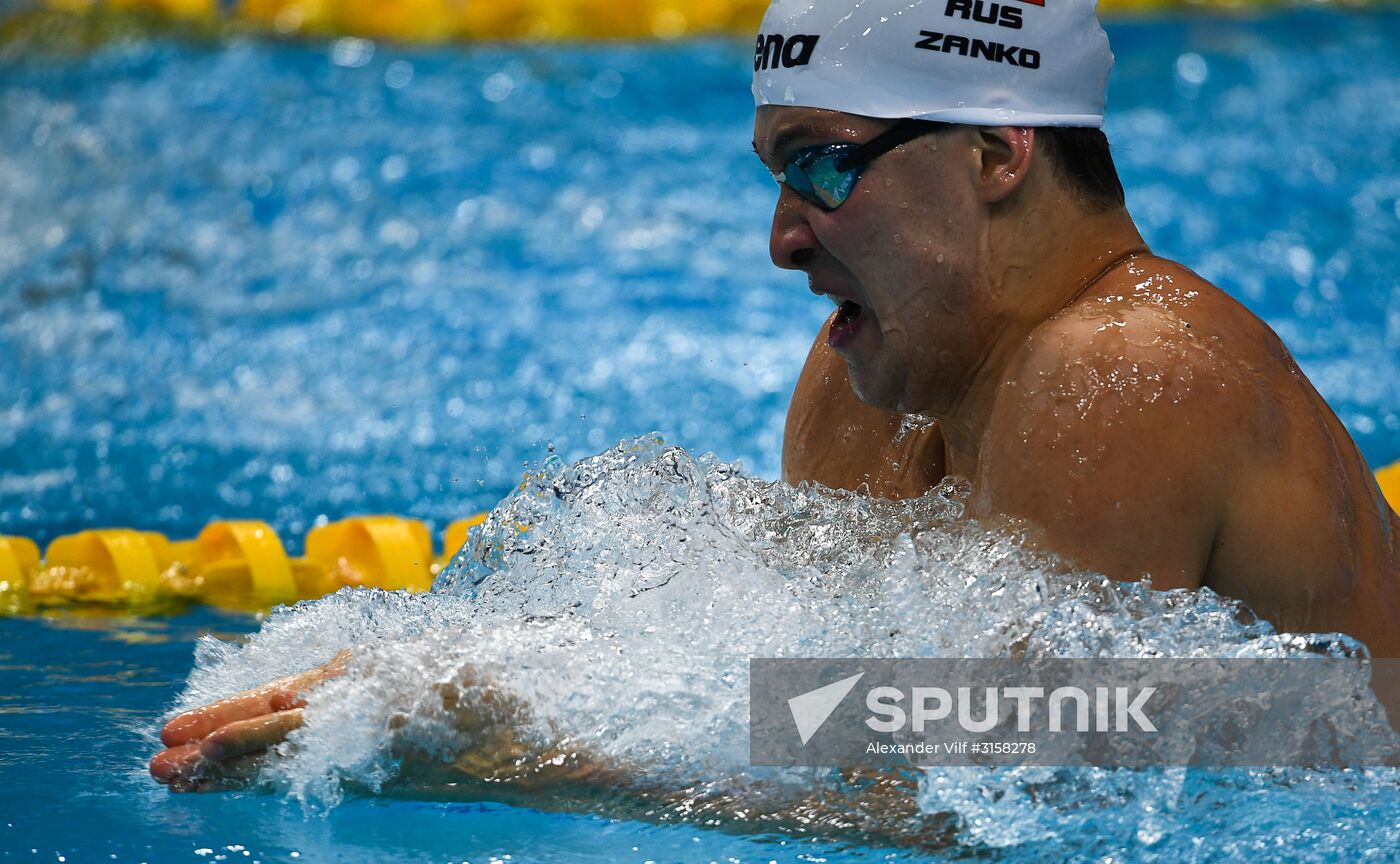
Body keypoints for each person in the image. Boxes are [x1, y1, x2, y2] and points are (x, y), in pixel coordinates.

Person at [151, 0, 1400, 793]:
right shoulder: (870, 375)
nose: (782, 241)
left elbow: (1031, 796)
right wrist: (451, 674)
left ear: (995, 151)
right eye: (773, 173)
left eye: (820, 167)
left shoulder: (1127, 371)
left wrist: (515, 752)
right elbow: (850, 709)